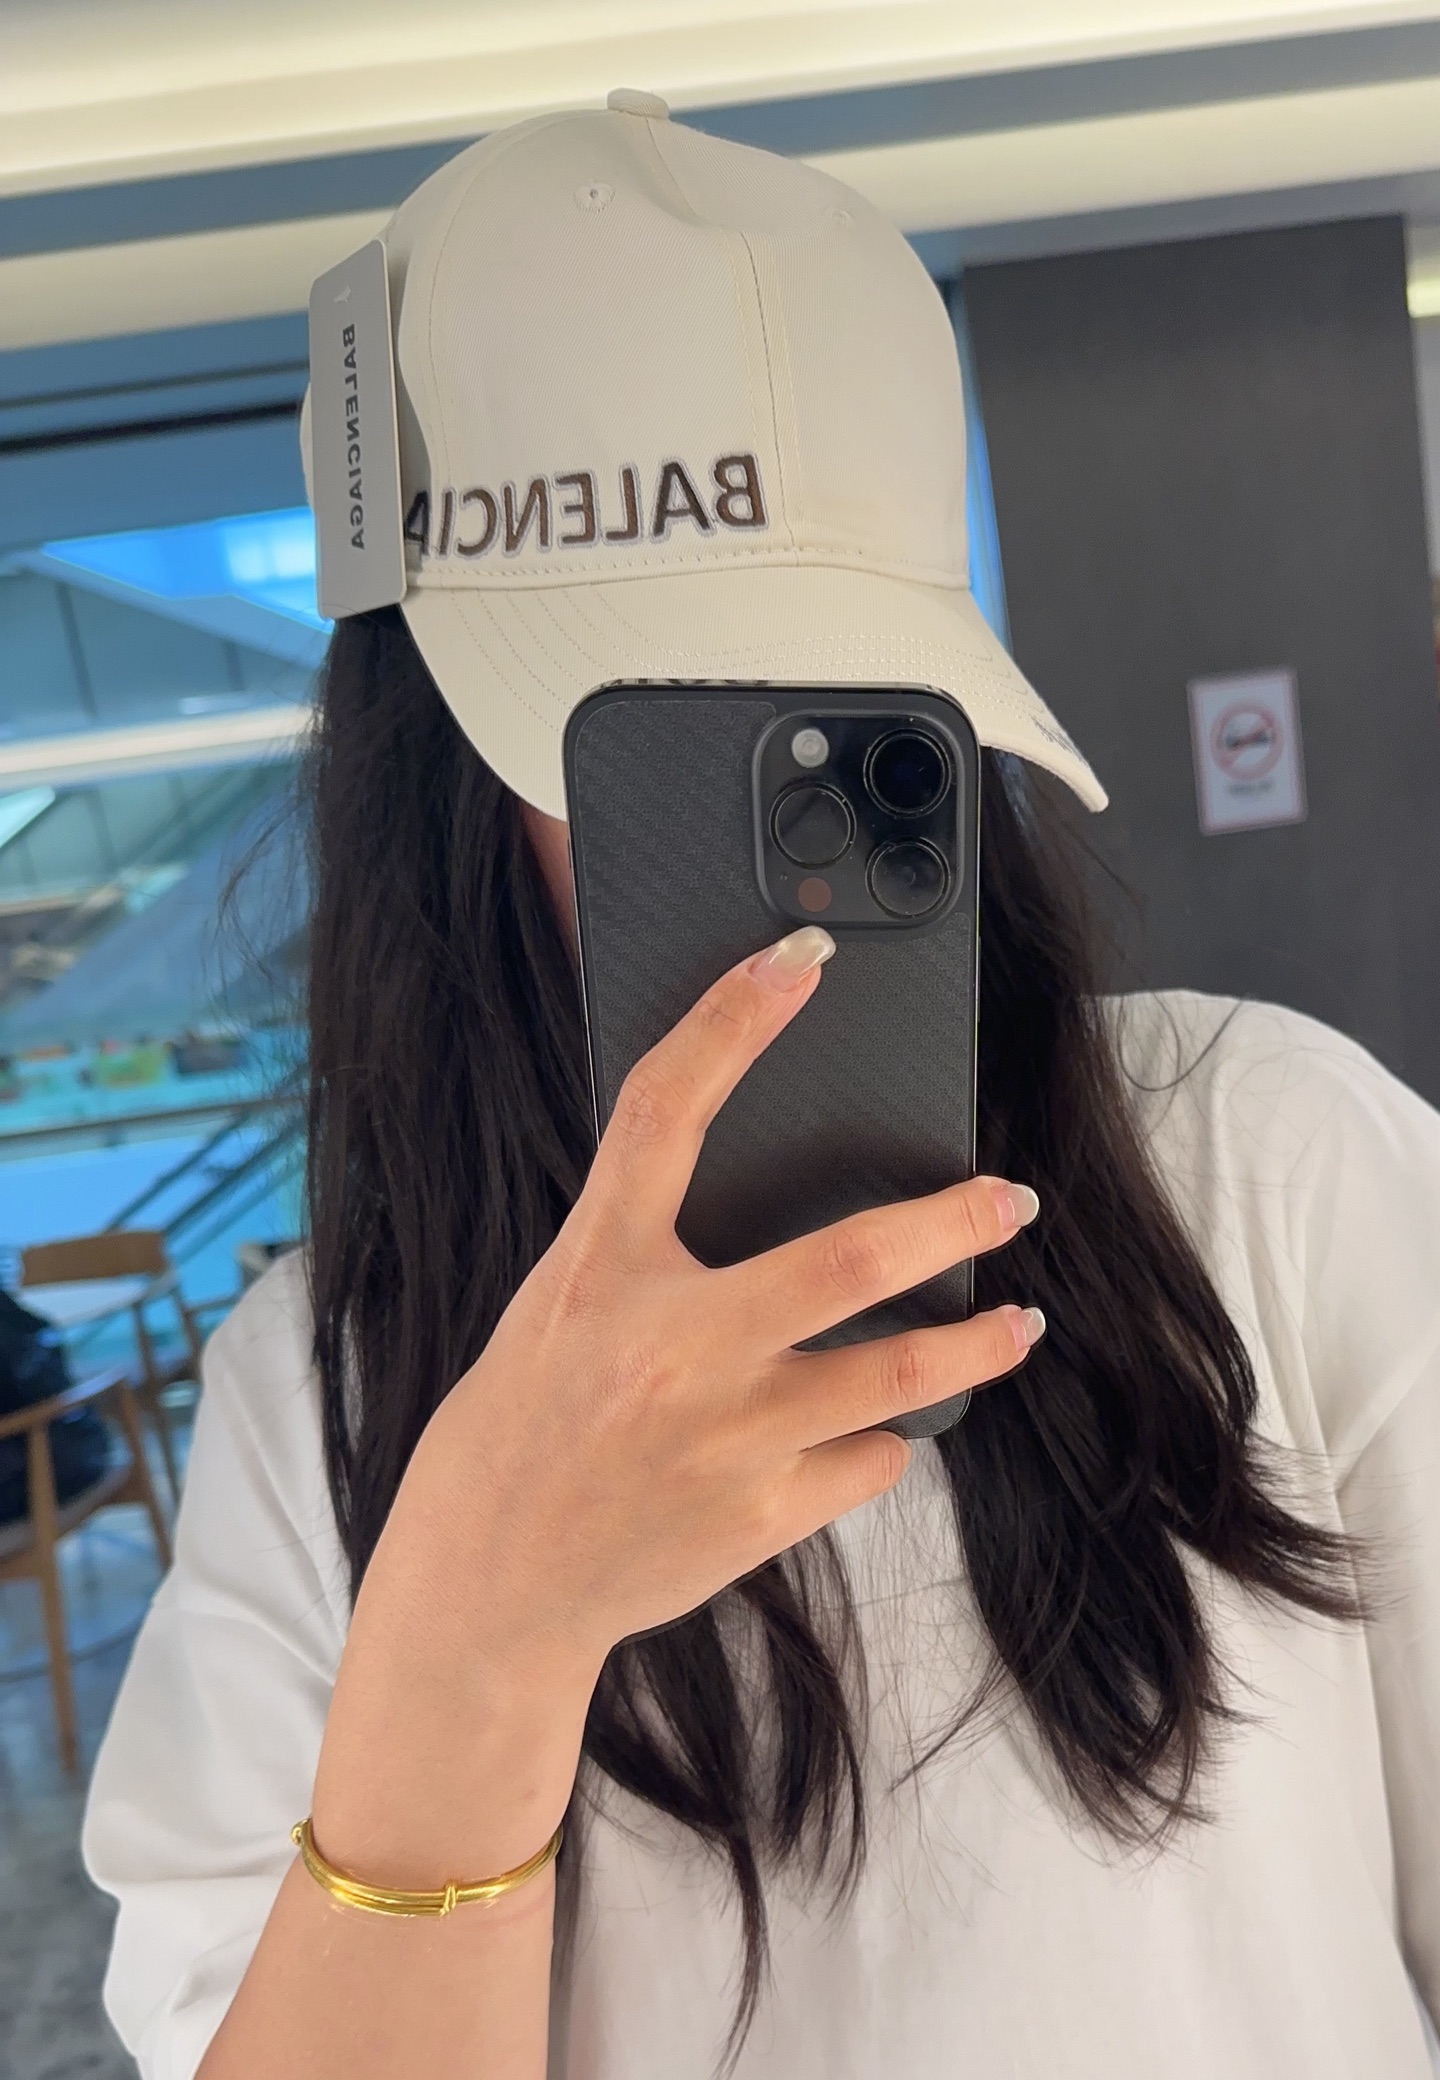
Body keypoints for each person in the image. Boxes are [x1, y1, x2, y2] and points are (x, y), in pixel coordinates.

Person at [83, 96, 1440, 2080]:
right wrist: (477, 1640)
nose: (769, 882)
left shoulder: (1268, 1159)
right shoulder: (329, 1396)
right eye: (651, 759)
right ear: (429, 771)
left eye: (849, 728)